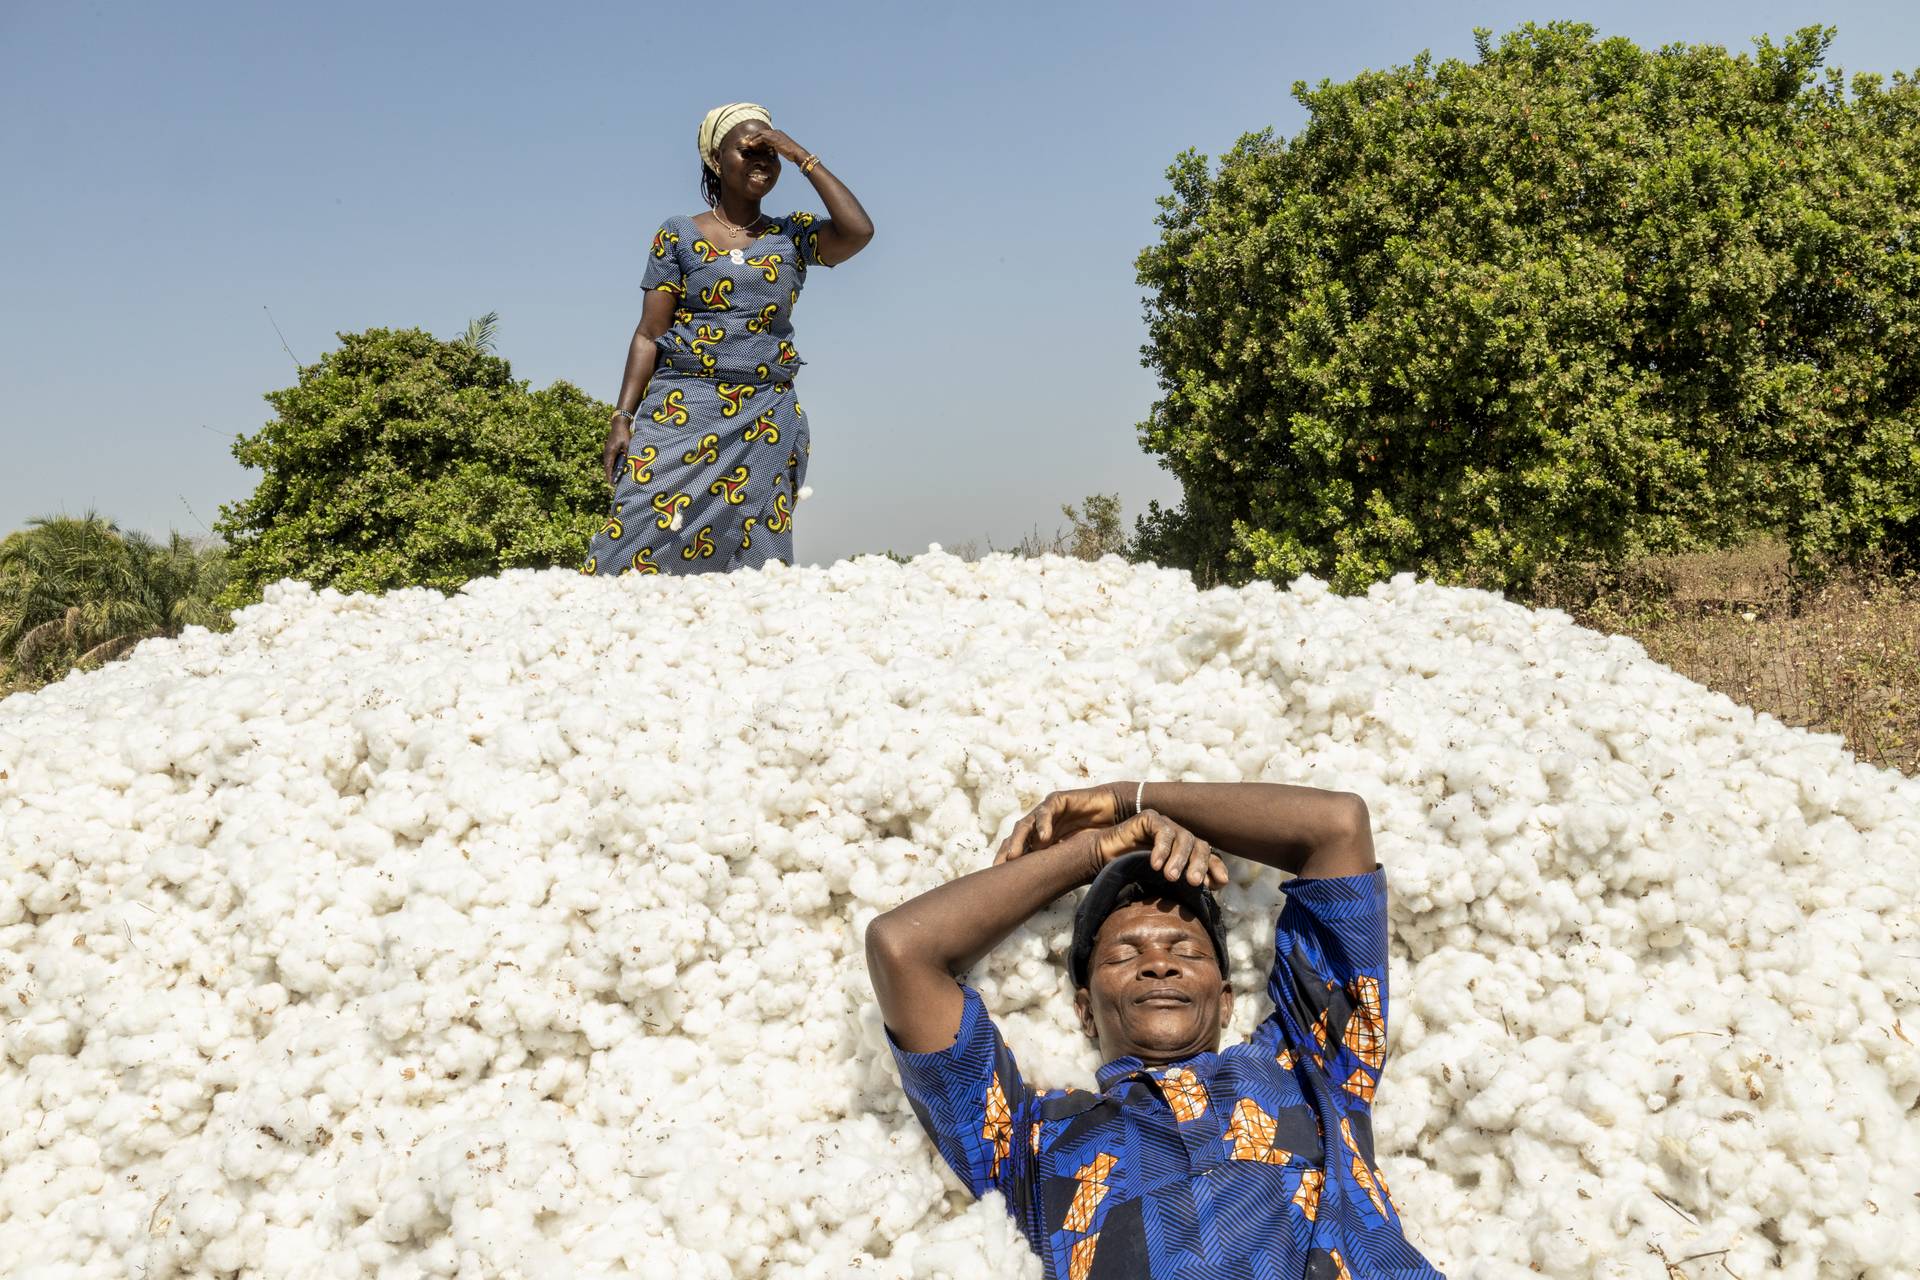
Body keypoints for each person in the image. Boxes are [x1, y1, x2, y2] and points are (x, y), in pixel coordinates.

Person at [865, 781, 1445, 1279]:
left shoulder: (1314, 1060)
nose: (1158, 963)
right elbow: (903, 949)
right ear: (1085, 1012)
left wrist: (1127, 799)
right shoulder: (1027, 1145)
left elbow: (1337, 826)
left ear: (1225, 1003)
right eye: (1123, 955)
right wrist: (1092, 852)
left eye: (1185, 949)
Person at [583, 103, 873, 576]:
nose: (763, 161)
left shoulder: (792, 236)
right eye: (749, 150)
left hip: (766, 414)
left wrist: (801, 156)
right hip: (683, 407)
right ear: (717, 161)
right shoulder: (677, 235)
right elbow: (649, 333)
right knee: (636, 528)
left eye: (771, 153)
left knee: (753, 552)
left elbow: (859, 232)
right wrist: (622, 416)